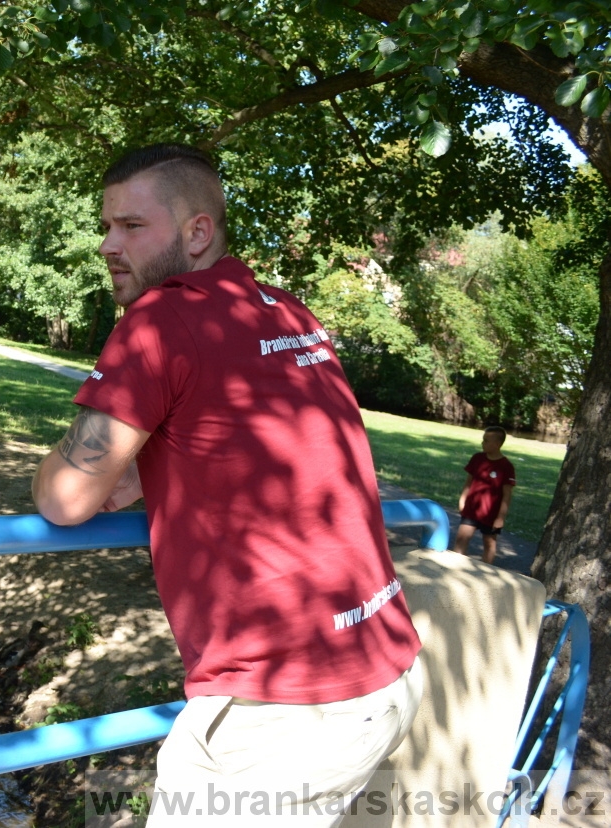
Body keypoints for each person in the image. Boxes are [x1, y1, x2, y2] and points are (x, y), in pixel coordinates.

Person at [31, 144, 422, 825]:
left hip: (284, 711)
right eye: (107, 225)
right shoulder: (287, 314)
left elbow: (64, 497)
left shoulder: (158, 322)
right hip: (383, 667)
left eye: (130, 227)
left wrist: (106, 467)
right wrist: (156, 473)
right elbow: (263, 448)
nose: (107, 244)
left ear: (197, 232)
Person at [451, 426, 515, 565]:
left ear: (497, 444)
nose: (482, 443)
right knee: (462, 538)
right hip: (471, 509)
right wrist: (463, 499)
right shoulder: (477, 458)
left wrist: (500, 517)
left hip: (491, 514)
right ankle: (455, 566)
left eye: (486, 441)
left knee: (489, 543)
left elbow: (507, 494)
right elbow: (469, 482)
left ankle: (485, 570)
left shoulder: (506, 466)